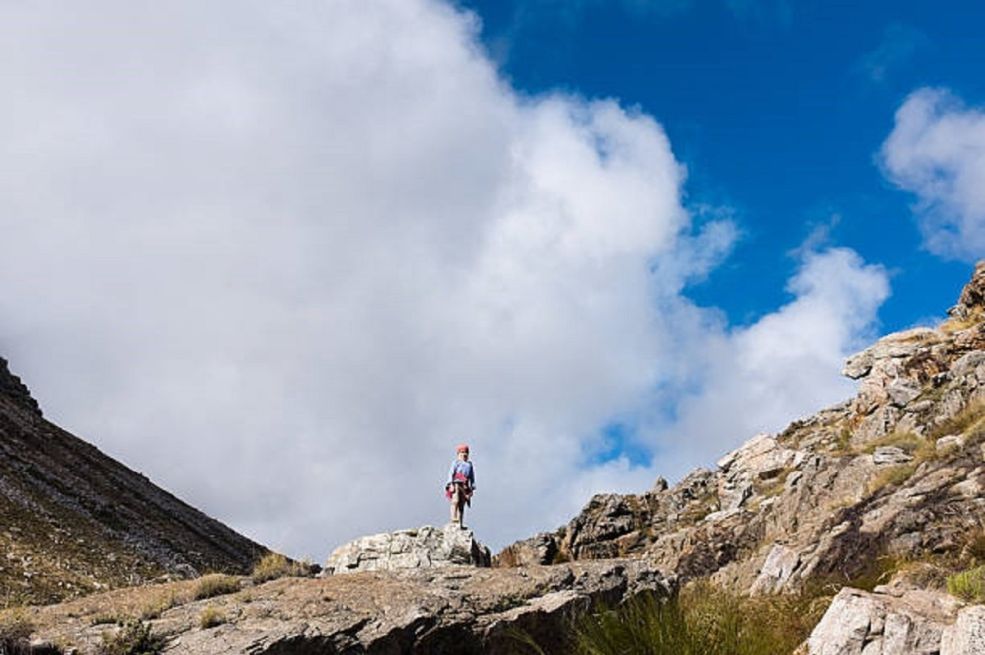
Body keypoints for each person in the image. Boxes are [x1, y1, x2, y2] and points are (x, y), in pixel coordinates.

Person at [445, 444, 475, 527]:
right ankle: (453, 518)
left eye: (466, 453)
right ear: (458, 454)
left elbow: (472, 477)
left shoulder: (469, 464)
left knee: (462, 505)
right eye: (462, 452)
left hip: (464, 486)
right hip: (456, 483)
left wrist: (472, 488)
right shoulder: (456, 463)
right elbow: (451, 473)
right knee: (455, 501)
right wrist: (450, 484)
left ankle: (460, 522)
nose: (464, 454)